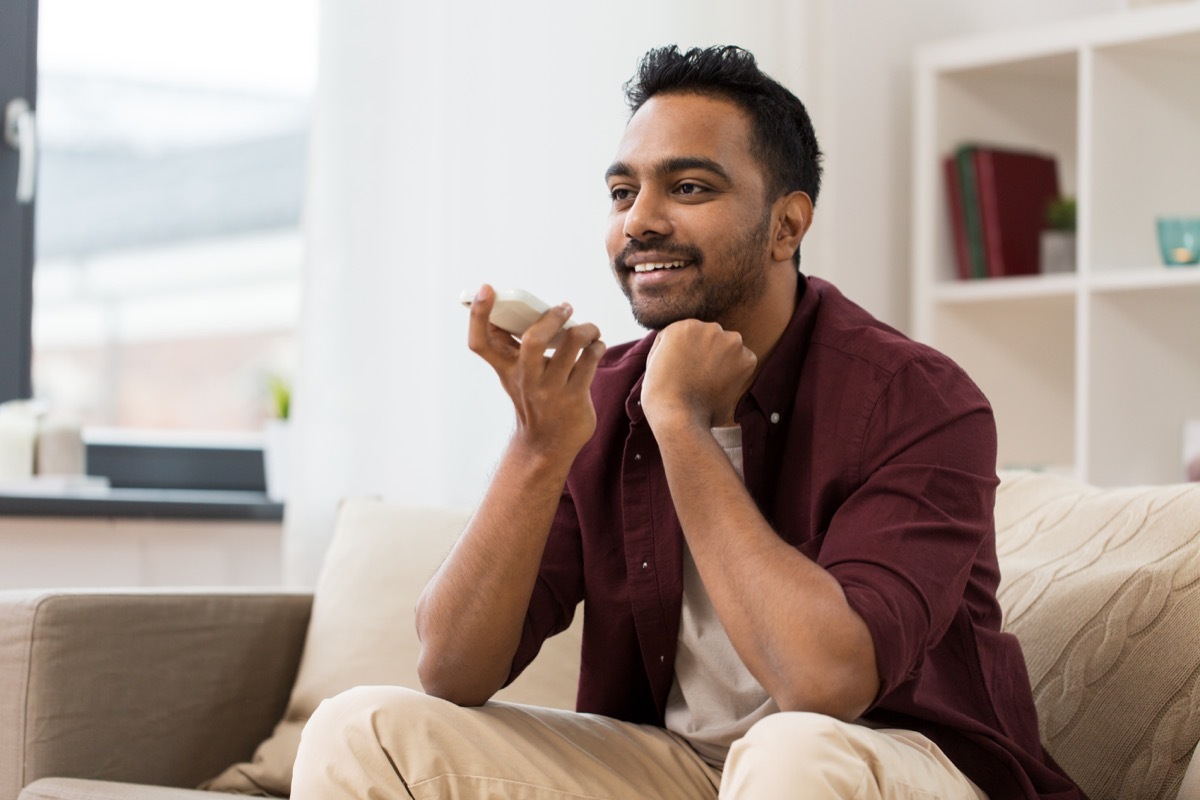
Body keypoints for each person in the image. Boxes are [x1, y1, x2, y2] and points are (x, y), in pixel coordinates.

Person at [291, 45, 1085, 800]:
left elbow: (824, 685)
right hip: (678, 767)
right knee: (363, 727)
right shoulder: (599, 397)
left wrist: (680, 423)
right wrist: (539, 444)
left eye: (690, 187)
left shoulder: (917, 398)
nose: (639, 221)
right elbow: (453, 670)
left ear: (787, 225)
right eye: (621, 192)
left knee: (792, 747)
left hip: (888, 761)